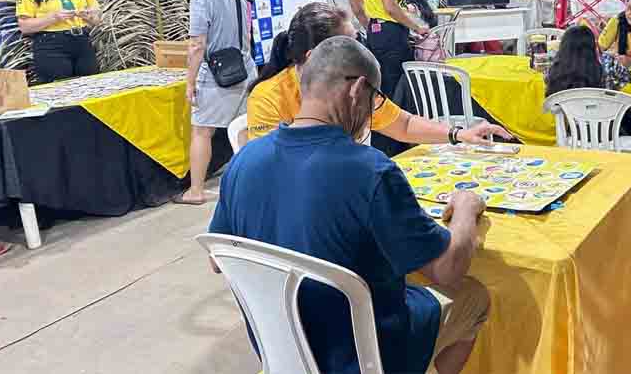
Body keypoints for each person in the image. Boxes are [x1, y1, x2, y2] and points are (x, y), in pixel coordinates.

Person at [210, 36, 490, 374]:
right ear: (358, 89)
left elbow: (218, 259)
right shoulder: (371, 171)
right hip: (365, 352)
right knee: (474, 296)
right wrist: (465, 209)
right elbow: (448, 269)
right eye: (375, 99)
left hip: (280, 346)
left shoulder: (243, 162)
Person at [246, 2, 511, 146]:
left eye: (357, 41)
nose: (360, 50)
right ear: (313, 57)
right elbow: (272, 170)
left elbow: (403, 125)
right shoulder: (269, 98)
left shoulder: (354, 88)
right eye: (348, 44)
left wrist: (458, 134)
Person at [177, 0, 258, 205]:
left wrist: (189, 82)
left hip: (216, 75)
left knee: (201, 131)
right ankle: (252, 184)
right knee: (242, 130)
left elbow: (197, 45)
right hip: (245, 70)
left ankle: (196, 191)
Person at [545, 25, 631, 95]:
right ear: (592, 45)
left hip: (569, 115)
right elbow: (627, 78)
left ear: (563, 46)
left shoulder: (554, 68)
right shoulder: (609, 63)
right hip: (606, 113)